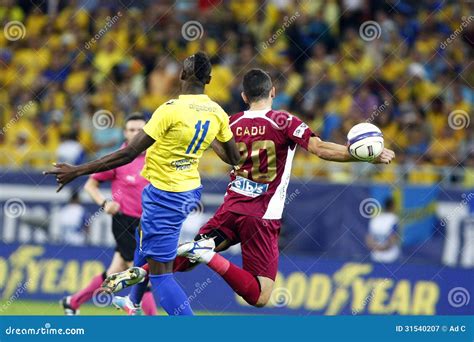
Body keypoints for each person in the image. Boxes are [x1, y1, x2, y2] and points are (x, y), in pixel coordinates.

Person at [103, 68, 395, 309]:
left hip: (231, 208)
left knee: (185, 262)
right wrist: (360, 153)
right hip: (262, 215)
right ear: (272, 93)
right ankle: (208, 255)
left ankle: (141, 272)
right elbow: (319, 149)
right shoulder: (284, 120)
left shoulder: (231, 122)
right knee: (260, 295)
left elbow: (214, 147)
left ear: (244, 96)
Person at [45, 51, 240, 316]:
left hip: (167, 195)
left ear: (181, 75)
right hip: (187, 189)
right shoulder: (217, 112)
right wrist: (207, 134)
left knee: (161, 276)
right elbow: (234, 157)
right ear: (209, 79)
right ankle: (133, 300)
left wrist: (77, 170)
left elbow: (127, 153)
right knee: (141, 238)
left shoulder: (170, 110)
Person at [60, 113, 156, 315]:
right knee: (141, 273)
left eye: (140, 130)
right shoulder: (119, 158)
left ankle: (73, 302)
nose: (136, 134)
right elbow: (90, 185)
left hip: (146, 224)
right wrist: (105, 203)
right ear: (125, 133)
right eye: (131, 130)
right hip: (123, 222)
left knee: (114, 271)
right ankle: (152, 323)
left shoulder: (156, 157)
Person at [366, 197, 401, 263]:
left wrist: (377, 249)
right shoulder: (393, 219)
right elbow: (393, 238)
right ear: (393, 206)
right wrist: (383, 249)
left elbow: (368, 239)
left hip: (376, 256)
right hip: (390, 256)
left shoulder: (375, 219)